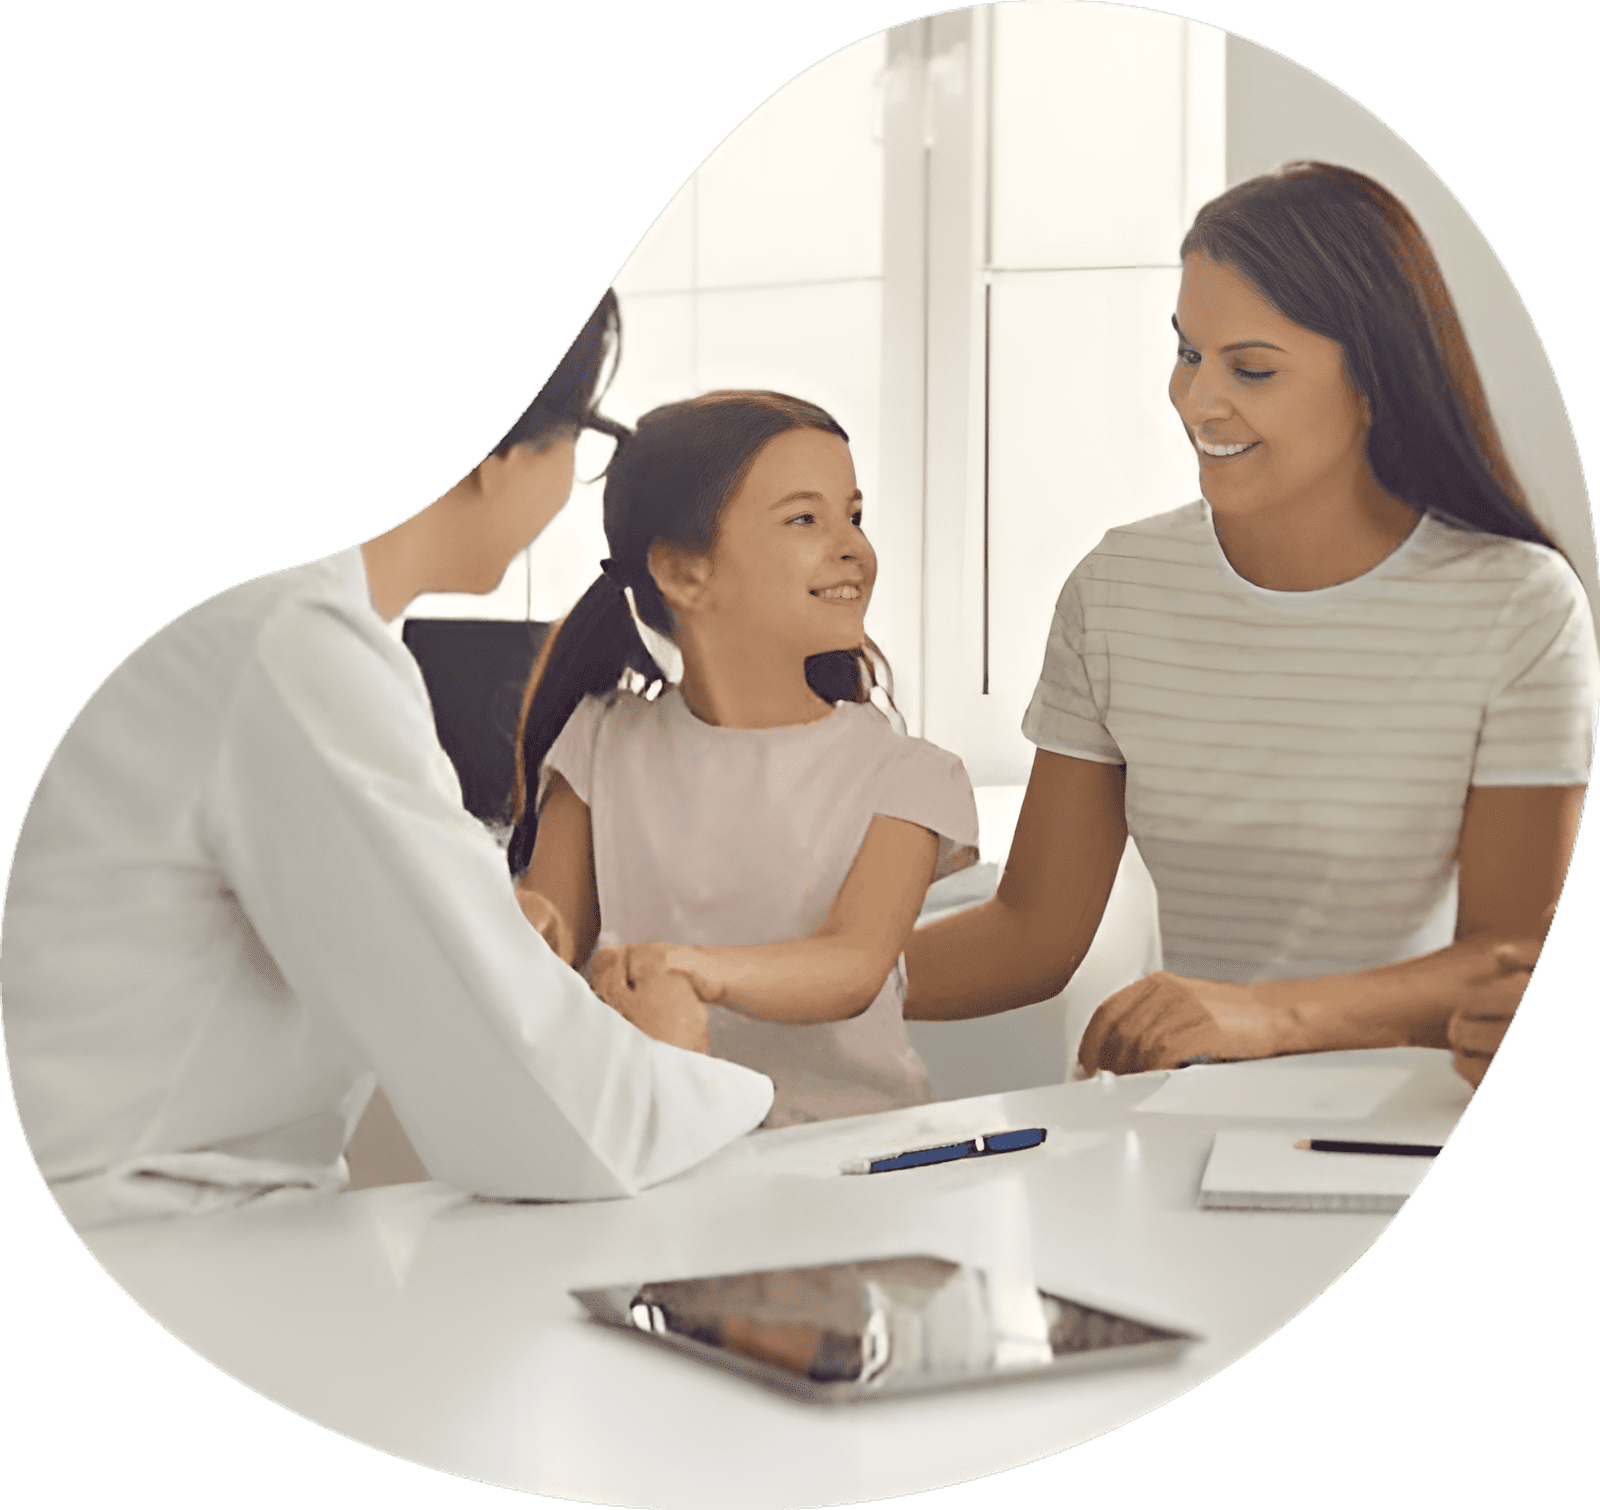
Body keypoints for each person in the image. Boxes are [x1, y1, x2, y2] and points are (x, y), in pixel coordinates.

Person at [1, 291, 774, 1229]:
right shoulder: (289, 639)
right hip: (150, 1248)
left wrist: (468, 915)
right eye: (583, 435)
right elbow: (553, 1123)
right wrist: (684, 1061)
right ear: (496, 446)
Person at [904, 163, 1598, 1088]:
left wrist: (1265, 1016)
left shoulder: (1517, 606)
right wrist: (758, 983)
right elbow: (1030, 931)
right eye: (1188, 353)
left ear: (1374, 383)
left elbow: (1506, 959)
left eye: (1252, 368)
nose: (1198, 402)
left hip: (1393, 1126)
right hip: (1180, 1111)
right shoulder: (1118, 590)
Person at [508, 391, 978, 1126]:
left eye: (853, 515)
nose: (852, 545)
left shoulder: (907, 774)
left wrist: (692, 972)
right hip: (662, 1143)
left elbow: (853, 965)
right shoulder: (601, 742)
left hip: (852, 1160)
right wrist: (511, 926)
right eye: (805, 519)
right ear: (685, 573)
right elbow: (550, 938)